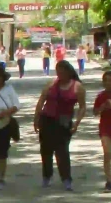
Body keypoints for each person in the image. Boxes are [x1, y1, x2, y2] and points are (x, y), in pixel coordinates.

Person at [33, 60, 86, 191]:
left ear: (69, 72)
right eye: (58, 71)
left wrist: (77, 123)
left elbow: (82, 107)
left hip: (64, 121)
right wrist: (36, 118)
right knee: (46, 150)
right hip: (47, 119)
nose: (60, 74)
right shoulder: (51, 84)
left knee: (62, 151)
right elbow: (41, 101)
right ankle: (47, 176)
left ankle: (66, 179)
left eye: (62, 71)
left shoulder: (77, 87)